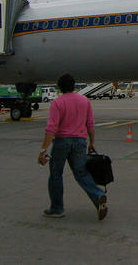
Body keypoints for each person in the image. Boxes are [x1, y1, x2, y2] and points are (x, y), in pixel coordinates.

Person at [38, 73, 107, 220]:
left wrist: (43, 150)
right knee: (81, 173)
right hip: (80, 141)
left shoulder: (57, 103)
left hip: (62, 141)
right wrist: (92, 142)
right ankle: (98, 195)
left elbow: (51, 128)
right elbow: (90, 124)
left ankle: (57, 208)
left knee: (56, 174)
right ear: (73, 85)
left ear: (60, 87)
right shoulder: (85, 101)